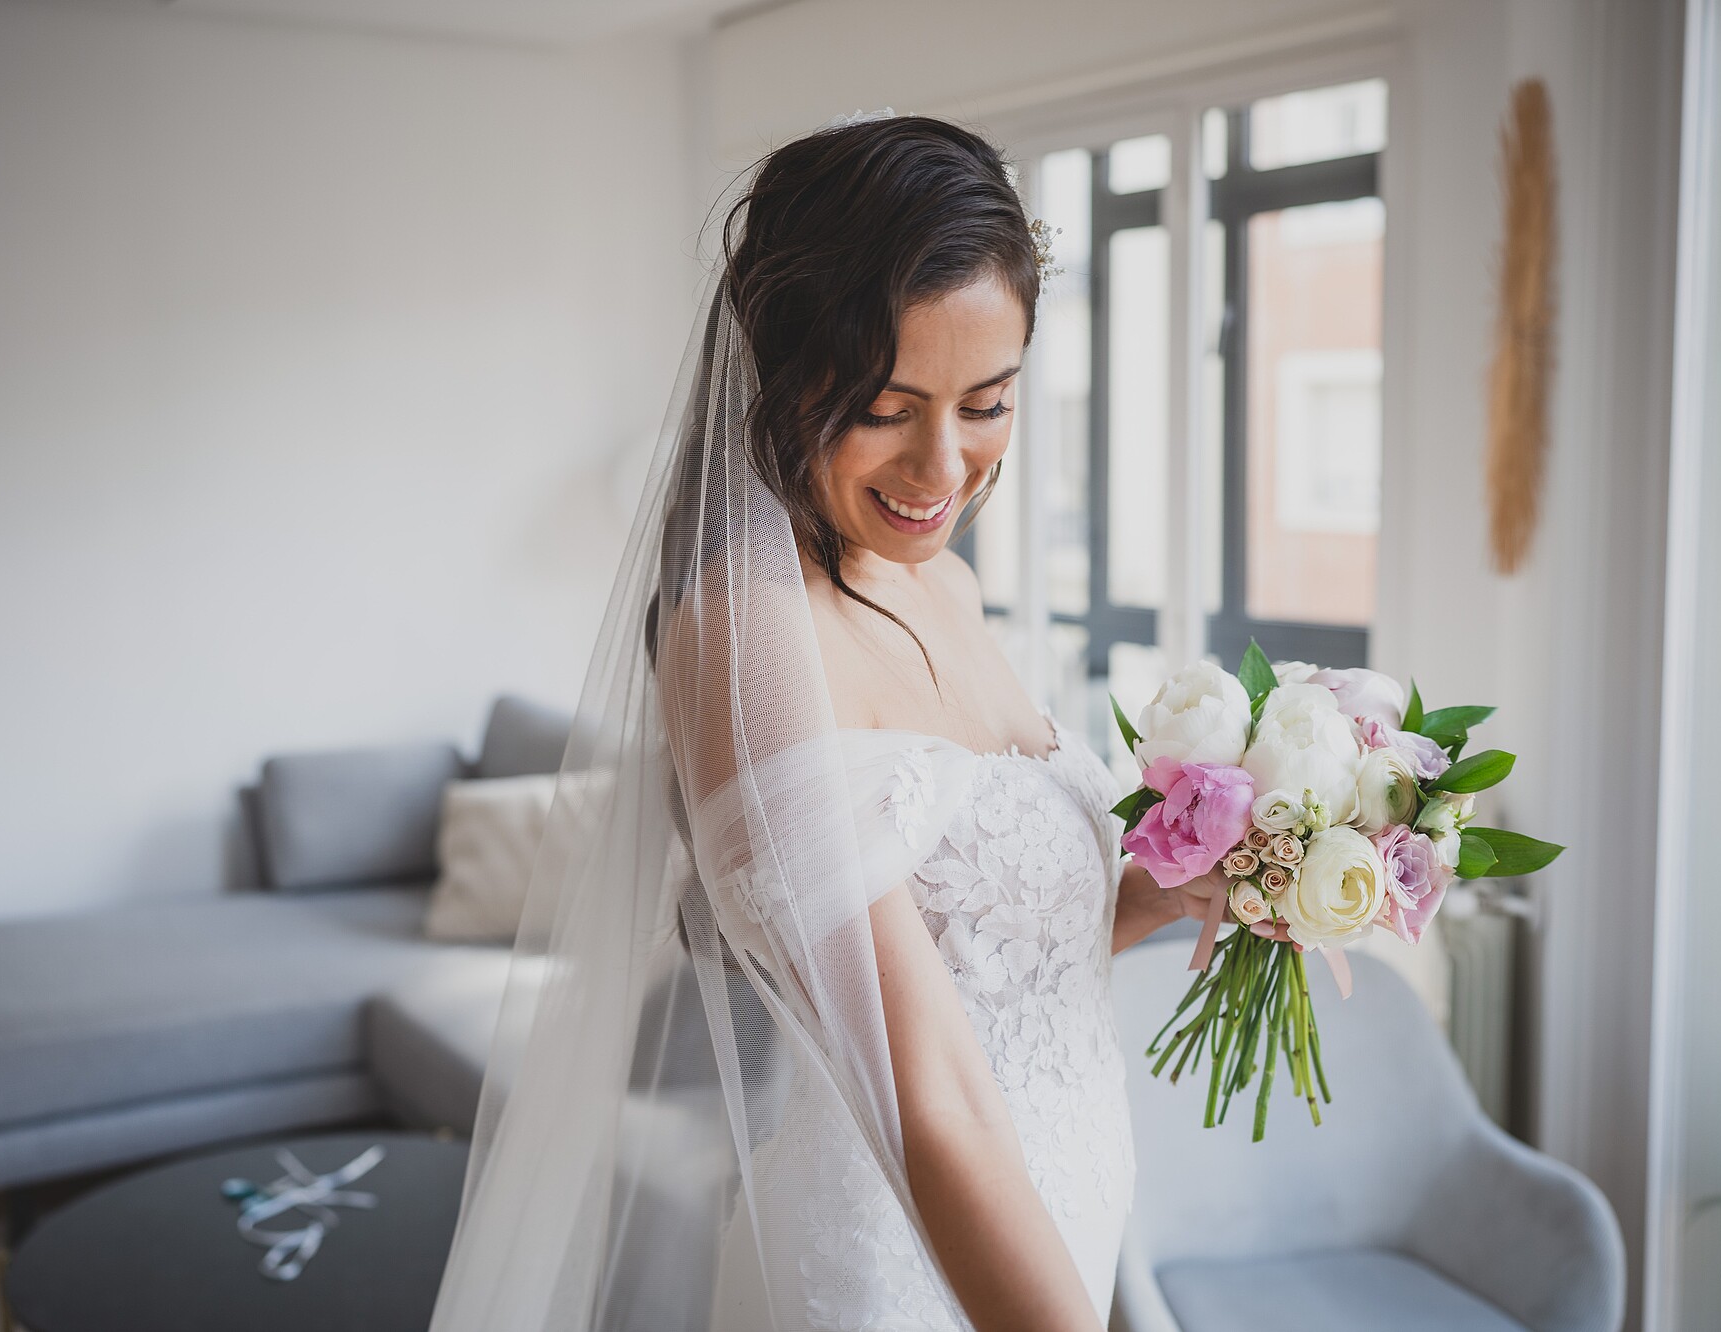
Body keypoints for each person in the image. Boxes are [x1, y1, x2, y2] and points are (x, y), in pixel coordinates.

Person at [426, 110, 1276, 1332]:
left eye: (987, 401)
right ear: (785, 375)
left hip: (1065, 1209)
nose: (942, 467)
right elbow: (923, 1081)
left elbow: (1012, 957)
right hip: (892, 1267)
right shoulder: (739, 638)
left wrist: (1218, 878)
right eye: (886, 407)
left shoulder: (947, 585)